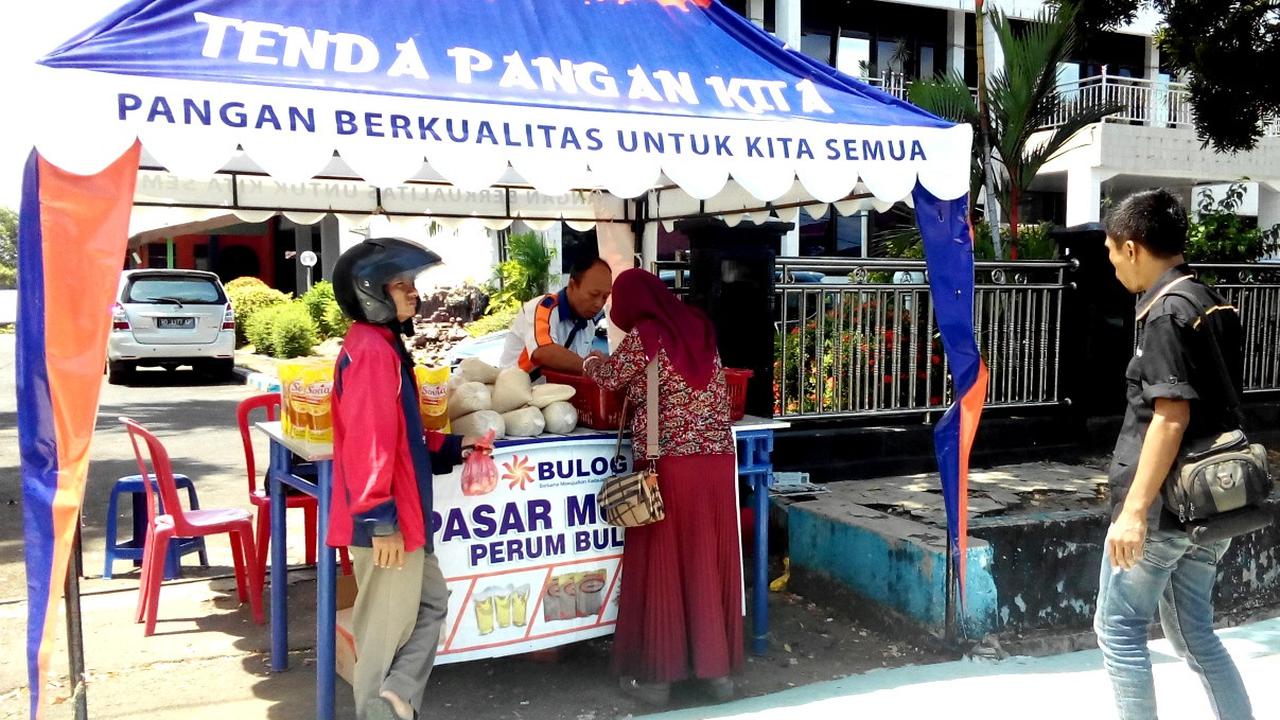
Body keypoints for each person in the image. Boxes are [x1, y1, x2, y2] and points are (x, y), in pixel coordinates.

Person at [1094, 189, 1253, 720]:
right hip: (1210, 505)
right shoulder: (1207, 300)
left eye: (1113, 251)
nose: (1112, 263)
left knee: (1117, 628)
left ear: (1133, 248)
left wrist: (1134, 512)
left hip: (1163, 507)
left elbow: (1170, 416)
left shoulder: (1165, 315)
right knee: (1195, 636)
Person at [582, 268, 742, 706]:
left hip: (668, 466)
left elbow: (612, 379)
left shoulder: (648, 333)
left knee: (662, 563)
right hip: (715, 465)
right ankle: (718, 675)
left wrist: (589, 360)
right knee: (707, 560)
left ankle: (657, 681)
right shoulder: (700, 328)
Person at [328, 238, 469, 720]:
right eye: (402, 284)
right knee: (383, 640)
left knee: (431, 606)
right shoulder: (370, 350)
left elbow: (401, 435)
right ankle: (382, 708)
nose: (414, 293)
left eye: (412, 284)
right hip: (389, 522)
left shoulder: (386, 345)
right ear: (372, 292)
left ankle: (398, 696)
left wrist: (454, 446)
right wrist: (378, 520)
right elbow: (368, 441)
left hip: (407, 516)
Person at [499, 255, 612, 375]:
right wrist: (587, 365)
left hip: (554, 391)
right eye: (593, 295)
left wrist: (595, 360)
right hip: (515, 387)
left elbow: (575, 364)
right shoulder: (542, 308)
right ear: (572, 285)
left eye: (605, 296)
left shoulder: (588, 324)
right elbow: (543, 351)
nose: (599, 304)